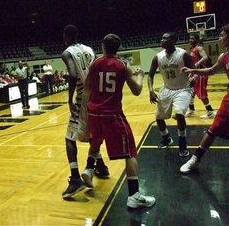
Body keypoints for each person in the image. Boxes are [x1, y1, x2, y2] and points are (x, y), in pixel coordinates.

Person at [85, 33, 155, 208]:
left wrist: (86, 113)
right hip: (112, 115)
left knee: (96, 140)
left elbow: (86, 89)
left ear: (102, 46)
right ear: (119, 48)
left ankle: (88, 168)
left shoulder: (94, 64)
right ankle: (134, 195)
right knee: (130, 152)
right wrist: (140, 75)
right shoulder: (123, 66)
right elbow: (137, 91)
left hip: (94, 112)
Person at [61, 24, 109, 199]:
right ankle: (101, 166)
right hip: (95, 95)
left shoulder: (67, 53)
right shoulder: (89, 49)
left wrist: (69, 99)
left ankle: (75, 179)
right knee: (92, 134)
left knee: (69, 138)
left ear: (66, 36)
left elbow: (73, 75)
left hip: (82, 97)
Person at [180, 24, 229, 173]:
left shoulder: (199, 49)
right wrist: (194, 70)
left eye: (222, 35)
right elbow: (212, 70)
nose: (220, 38)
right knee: (213, 128)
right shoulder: (224, 56)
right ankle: (195, 159)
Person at [148, 32, 197, 157]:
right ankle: (167, 139)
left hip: (183, 89)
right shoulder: (157, 57)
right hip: (167, 88)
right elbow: (150, 75)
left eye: (165, 38)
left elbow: (194, 70)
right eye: (162, 37)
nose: (162, 40)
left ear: (173, 41)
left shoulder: (183, 54)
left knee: (180, 115)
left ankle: (182, 144)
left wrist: (194, 77)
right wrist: (151, 90)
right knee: (158, 117)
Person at [185, 33, 216, 119]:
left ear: (197, 39)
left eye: (192, 38)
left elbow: (205, 57)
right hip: (194, 72)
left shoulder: (199, 48)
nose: (190, 40)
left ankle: (210, 111)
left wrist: (197, 64)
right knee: (190, 91)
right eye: (190, 38)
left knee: (202, 93)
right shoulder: (192, 49)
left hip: (200, 73)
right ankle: (191, 110)